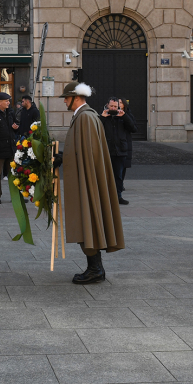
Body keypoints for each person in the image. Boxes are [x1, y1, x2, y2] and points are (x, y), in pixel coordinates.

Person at [60, 82, 124, 284]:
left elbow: (87, 153)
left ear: (76, 97)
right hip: (85, 176)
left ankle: (95, 269)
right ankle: (95, 268)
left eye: (66, 97)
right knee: (86, 221)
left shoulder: (85, 117)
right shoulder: (84, 116)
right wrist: (62, 157)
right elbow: (81, 150)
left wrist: (64, 158)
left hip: (86, 179)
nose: (64, 100)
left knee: (87, 220)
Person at [100, 96, 136, 205]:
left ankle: (118, 196)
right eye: (111, 106)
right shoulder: (103, 117)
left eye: (115, 106)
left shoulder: (124, 116)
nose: (113, 108)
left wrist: (124, 117)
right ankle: (105, 197)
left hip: (120, 151)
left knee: (119, 176)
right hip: (106, 151)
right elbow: (94, 130)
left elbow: (133, 129)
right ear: (107, 105)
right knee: (105, 176)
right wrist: (102, 117)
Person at [120, 99, 135, 186]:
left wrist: (125, 116)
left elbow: (133, 128)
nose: (119, 104)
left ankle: (120, 183)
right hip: (114, 143)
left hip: (125, 143)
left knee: (123, 164)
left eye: (121, 102)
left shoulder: (128, 115)